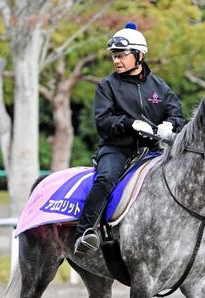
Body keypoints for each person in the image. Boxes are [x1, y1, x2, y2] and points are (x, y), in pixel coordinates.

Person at [74, 22, 186, 255]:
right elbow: (102, 122)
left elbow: (177, 113)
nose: (116, 60)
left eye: (122, 55)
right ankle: (83, 232)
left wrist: (170, 124)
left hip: (153, 151)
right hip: (117, 149)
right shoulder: (106, 86)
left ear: (139, 55)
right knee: (105, 179)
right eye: (114, 56)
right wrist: (129, 123)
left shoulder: (159, 87)